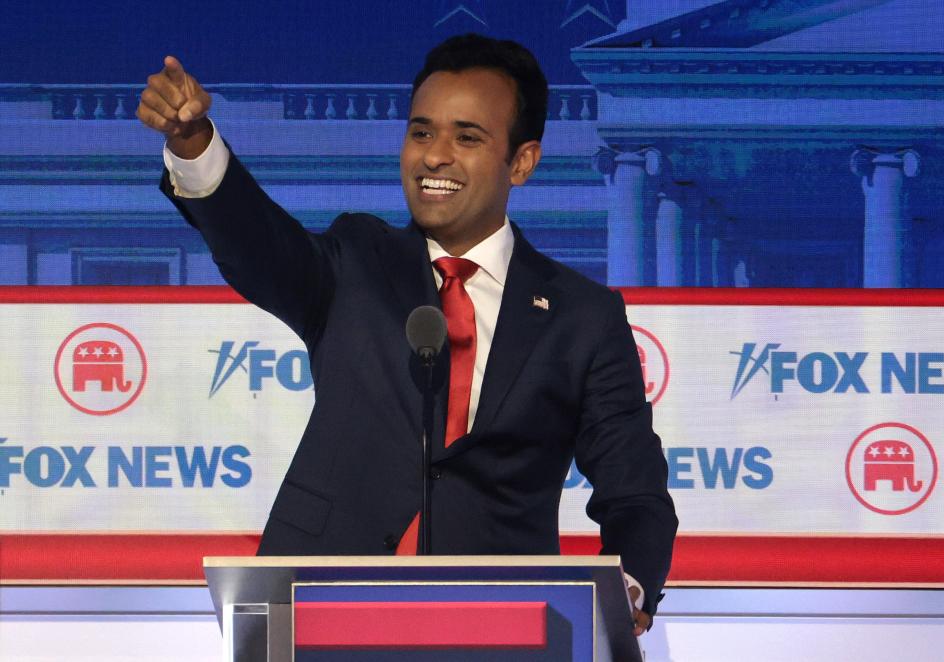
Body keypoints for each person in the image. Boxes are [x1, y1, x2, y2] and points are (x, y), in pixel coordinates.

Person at [137, 33, 677, 635]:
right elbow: (259, 246)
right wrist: (194, 145)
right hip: (317, 613)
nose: (434, 156)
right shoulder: (359, 261)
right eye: (421, 132)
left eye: (466, 137)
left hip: (500, 630)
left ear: (521, 161)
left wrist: (625, 589)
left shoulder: (583, 316)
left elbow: (635, 493)